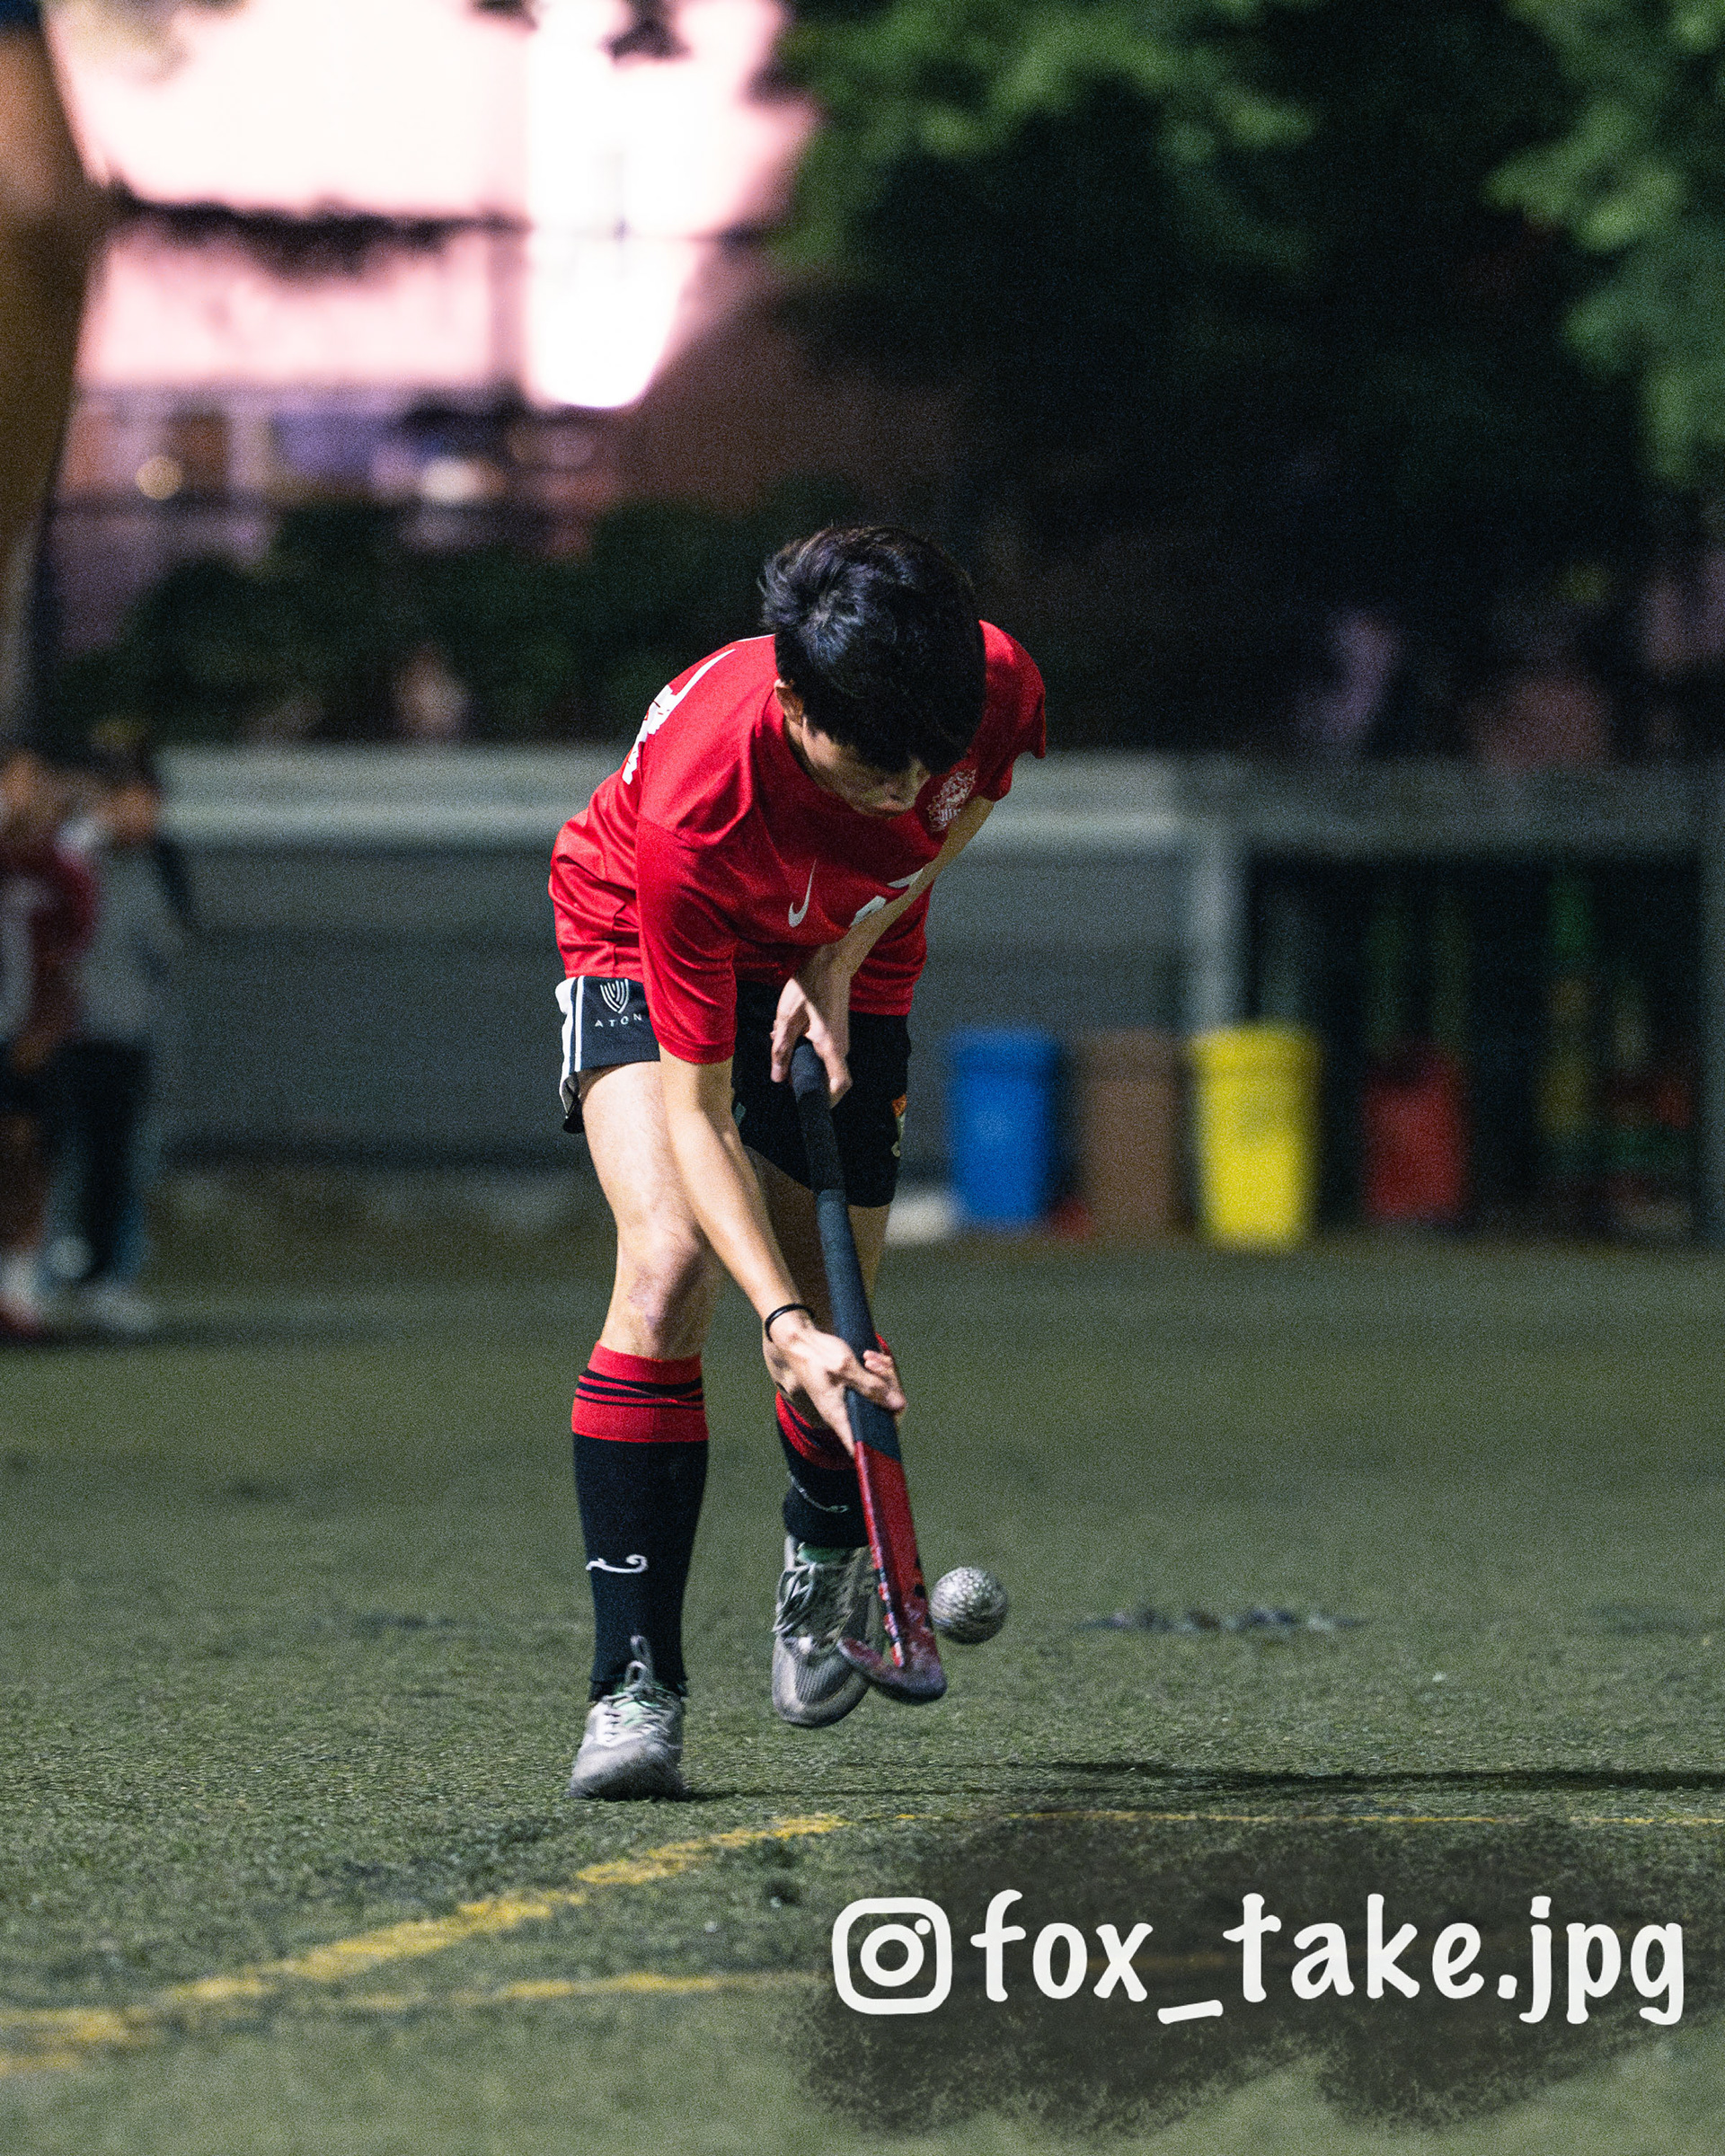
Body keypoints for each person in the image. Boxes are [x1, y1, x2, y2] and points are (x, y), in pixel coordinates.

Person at [547, 526, 1045, 1798]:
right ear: (793, 705)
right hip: (645, 933)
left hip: (844, 940)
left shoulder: (979, 681)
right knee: (671, 1269)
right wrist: (774, 1323)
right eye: (876, 767)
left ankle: (822, 1558)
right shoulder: (697, 811)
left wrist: (842, 950)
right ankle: (633, 1688)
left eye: (925, 759)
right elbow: (701, 1115)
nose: (906, 789)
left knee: (843, 1314)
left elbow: (966, 802)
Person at [52, 746, 188, 1336]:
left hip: (125, 1033)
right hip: (60, 1032)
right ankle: (36, 1276)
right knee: (46, 1157)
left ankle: (105, 1282)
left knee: (116, 1163)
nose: (147, 815)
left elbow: (168, 940)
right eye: (136, 802)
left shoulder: (157, 860)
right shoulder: (70, 853)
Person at [1, 738, 96, 1338]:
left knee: (26, 1156)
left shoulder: (62, 868)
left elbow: (71, 954)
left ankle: (18, 1292)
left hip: (27, 1033)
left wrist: (47, 1026)